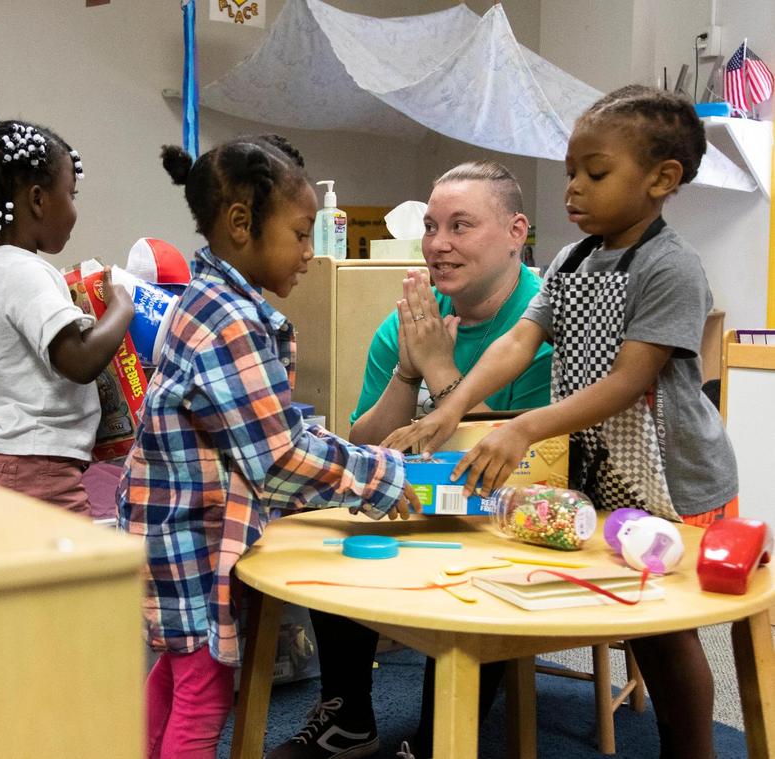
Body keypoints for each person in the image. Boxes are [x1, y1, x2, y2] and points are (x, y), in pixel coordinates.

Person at [388, 85, 738, 759]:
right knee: (638, 618)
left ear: (662, 179)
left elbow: (628, 381)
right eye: (572, 169)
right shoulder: (572, 261)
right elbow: (519, 341)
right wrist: (454, 406)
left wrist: (525, 427)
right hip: (607, 472)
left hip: (678, 480)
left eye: (595, 172)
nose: (574, 187)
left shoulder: (671, 266)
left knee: (667, 628)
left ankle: (693, 749)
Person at [117, 134, 422, 759]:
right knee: (203, 694)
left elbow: (273, 427)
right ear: (240, 224)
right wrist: (383, 476)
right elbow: (278, 459)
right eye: (301, 234)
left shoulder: (208, 299)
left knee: (176, 675)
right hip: (191, 536)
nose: (310, 253)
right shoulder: (231, 321)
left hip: (169, 527)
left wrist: (349, 458)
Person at [269, 161, 553, 759]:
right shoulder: (413, 321)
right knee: (333, 510)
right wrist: (407, 366)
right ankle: (349, 717)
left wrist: (441, 370)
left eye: (460, 225)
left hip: (510, 520)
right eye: (430, 226)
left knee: (488, 568)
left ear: (515, 231)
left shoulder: (542, 325)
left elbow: (527, 470)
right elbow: (364, 443)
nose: (438, 245)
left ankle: (440, 740)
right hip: (422, 504)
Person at [0, 114, 134, 515]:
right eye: (71, 195)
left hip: (2, 456)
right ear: (38, 200)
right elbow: (80, 360)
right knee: (72, 576)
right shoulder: (25, 271)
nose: (73, 210)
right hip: (32, 470)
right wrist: (122, 307)